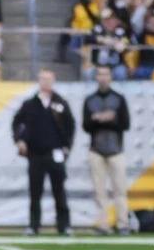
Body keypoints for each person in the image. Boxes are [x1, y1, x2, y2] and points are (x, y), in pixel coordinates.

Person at [12, 68, 75, 236]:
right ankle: (34, 225)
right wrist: (20, 140)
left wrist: (67, 147)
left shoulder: (60, 103)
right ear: (39, 81)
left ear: (53, 80)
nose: (46, 82)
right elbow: (17, 123)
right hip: (36, 154)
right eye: (43, 79)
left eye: (49, 79)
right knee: (35, 193)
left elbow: (70, 126)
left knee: (59, 191)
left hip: (56, 154)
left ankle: (64, 226)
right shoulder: (30, 104)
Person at [82, 65, 131, 235]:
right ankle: (103, 223)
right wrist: (98, 119)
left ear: (111, 77)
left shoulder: (119, 98)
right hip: (96, 150)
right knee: (100, 191)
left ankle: (122, 223)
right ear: (96, 77)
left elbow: (125, 124)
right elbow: (86, 125)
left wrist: (110, 119)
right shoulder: (90, 100)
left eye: (106, 74)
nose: (103, 77)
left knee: (120, 190)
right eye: (100, 74)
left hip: (116, 149)